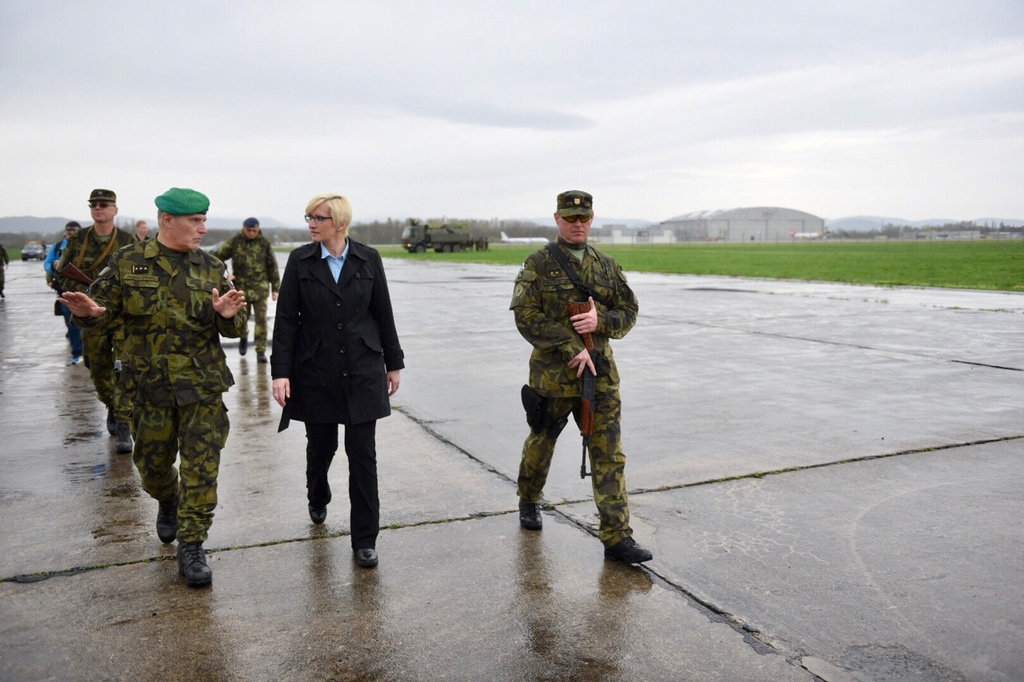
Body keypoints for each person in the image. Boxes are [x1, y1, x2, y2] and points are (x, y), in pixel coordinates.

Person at [60, 187, 248, 587]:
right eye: (194, 221)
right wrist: (90, 315)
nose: (203, 228)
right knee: (154, 469)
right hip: (149, 388)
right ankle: (168, 498)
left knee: (202, 470)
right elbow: (101, 313)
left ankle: (193, 544)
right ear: (167, 220)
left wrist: (229, 317)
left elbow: (233, 327)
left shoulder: (212, 267)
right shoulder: (129, 262)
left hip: (201, 386)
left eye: (204, 220)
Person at [509, 189, 653, 565]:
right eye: (570, 218)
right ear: (557, 218)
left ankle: (617, 537)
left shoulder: (606, 266)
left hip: (601, 376)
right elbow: (526, 316)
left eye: (584, 218)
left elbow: (629, 309)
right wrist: (570, 344)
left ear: (592, 219)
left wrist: (600, 320)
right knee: (541, 443)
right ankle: (529, 499)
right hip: (554, 377)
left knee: (609, 455)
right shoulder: (538, 264)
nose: (578, 224)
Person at [271, 193, 404, 569]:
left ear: (340, 223)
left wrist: (394, 363)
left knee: (363, 456)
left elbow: (383, 313)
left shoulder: (368, 258)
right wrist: (280, 372)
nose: (311, 223)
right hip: (315, 371)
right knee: (322, 448)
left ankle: (364, 539)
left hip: (363, 370)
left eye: (319, 217)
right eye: (309, 217)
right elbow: (286, 322)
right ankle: (317, 493)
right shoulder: (300, 261)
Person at [55, 189, 137, 452]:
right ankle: (112, 405)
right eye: (94, 205)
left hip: (122, 316)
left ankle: (124, 424)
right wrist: (84, 296)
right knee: (98, 368)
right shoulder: (79, 240)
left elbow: (141, 275)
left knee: (124, 369)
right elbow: (62, 275)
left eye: (104, 204)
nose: (98, 208)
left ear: (115, 210)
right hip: (92, 318)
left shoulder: (127, 240)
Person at [213, 217, 280, 363]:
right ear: (244, 229)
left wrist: (276, 289)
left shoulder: (264, 243)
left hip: (260, 289)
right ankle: (243, 337)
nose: (251, 233)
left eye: (254, 231)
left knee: (261, 321)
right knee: (242, 318)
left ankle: (260, 351)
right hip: (241, 289)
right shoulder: (236, 241)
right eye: (249, 230)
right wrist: (225, 274)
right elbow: (216, 257)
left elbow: (272, 266)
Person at [44, 221, 84, 364]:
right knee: (71, 324)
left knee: (89, 324)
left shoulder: (87, 247)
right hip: (65, 291)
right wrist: (54, 269)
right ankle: (78, 352)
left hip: (86, 291)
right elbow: (47, 264)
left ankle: (89, 351)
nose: (71, 234)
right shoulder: (57, 247)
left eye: (75, 231)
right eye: (69, 231)